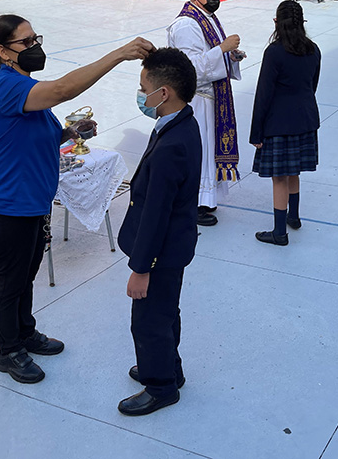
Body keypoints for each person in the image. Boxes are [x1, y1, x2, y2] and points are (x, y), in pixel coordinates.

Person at [0, 15, 153, 384]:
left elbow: (39, 137)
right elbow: (65, 89)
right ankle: (8, 352)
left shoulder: (25, 86)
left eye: (36, 38)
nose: (35, 47)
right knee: (11, 280)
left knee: (25, 275)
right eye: (26, 43)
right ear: (3, 52)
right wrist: (118, 54)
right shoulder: (7, 87)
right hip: (2, 208)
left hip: (30, 206)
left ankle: (24, 333)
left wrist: (69, 132)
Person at [117, 47, 201, 416]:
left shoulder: (172, 145)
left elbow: (156, 212)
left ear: (162, 93)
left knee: (149, 321)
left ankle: (160, 385)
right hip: (174, 246)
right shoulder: (182, 122)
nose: (140, 95)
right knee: (166, 312)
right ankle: (169, 368)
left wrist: (141, 268)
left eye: (143, 87)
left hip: (160, 251)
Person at [167, 0, 242, 227]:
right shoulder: (187, 24)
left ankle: (206, 200)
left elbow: (208, 57)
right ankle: (193, 204)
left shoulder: (208, 19)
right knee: (199, 152)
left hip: (212, 98)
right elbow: (190, 68)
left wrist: (230, 57)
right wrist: (221, 49)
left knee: (209, 150)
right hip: (197, 100)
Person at [250, 0, 321, 246]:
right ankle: (294, 216)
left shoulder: (274, 52)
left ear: (276, 23)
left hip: (278, 123)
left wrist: (256, 132)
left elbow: (264, 94)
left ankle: (279, 232)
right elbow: (313, 85)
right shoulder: (313, 49)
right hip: (306, 119)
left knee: (279, 177)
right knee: (294, 170)